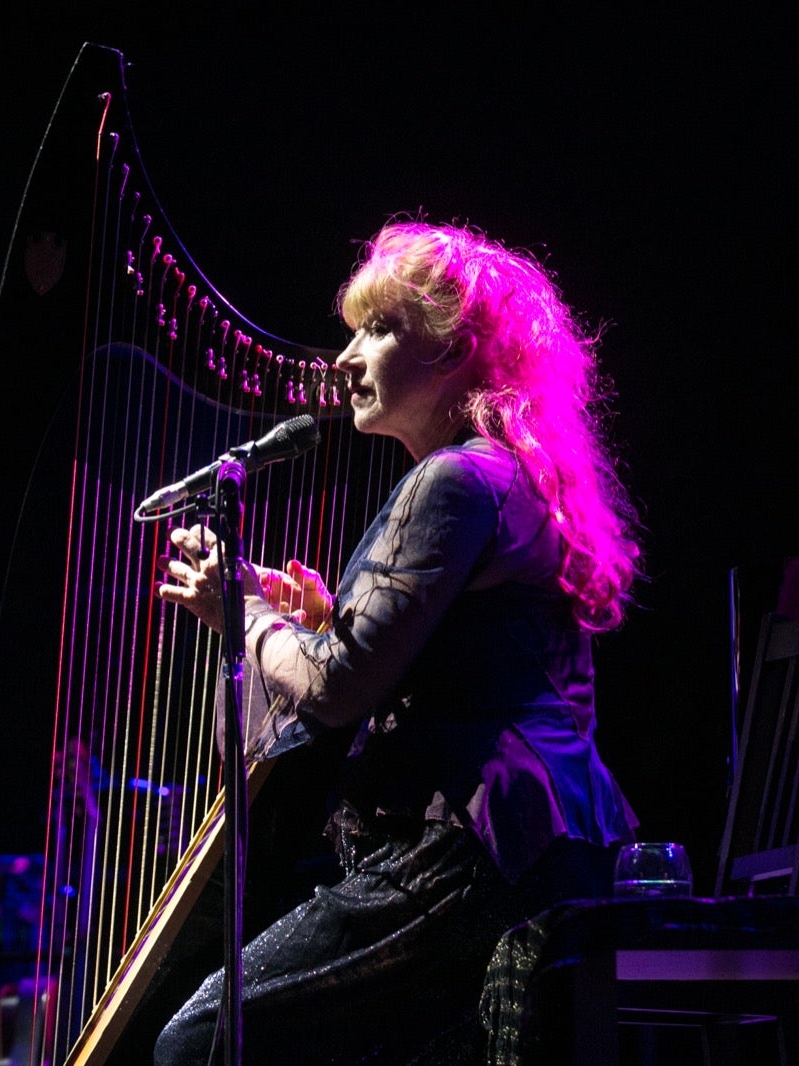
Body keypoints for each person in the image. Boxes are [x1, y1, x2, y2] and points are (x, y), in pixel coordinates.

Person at [152, 221, 641, 1064]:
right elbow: (402, 667)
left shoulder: (454, 479)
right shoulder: (502, 474)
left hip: (477, 855)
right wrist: (303, 622)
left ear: (454, 353)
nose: (344, 357)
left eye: (378, 330)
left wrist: (245, 615)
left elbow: (339, 689)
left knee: (202, 1042)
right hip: (543, 850)